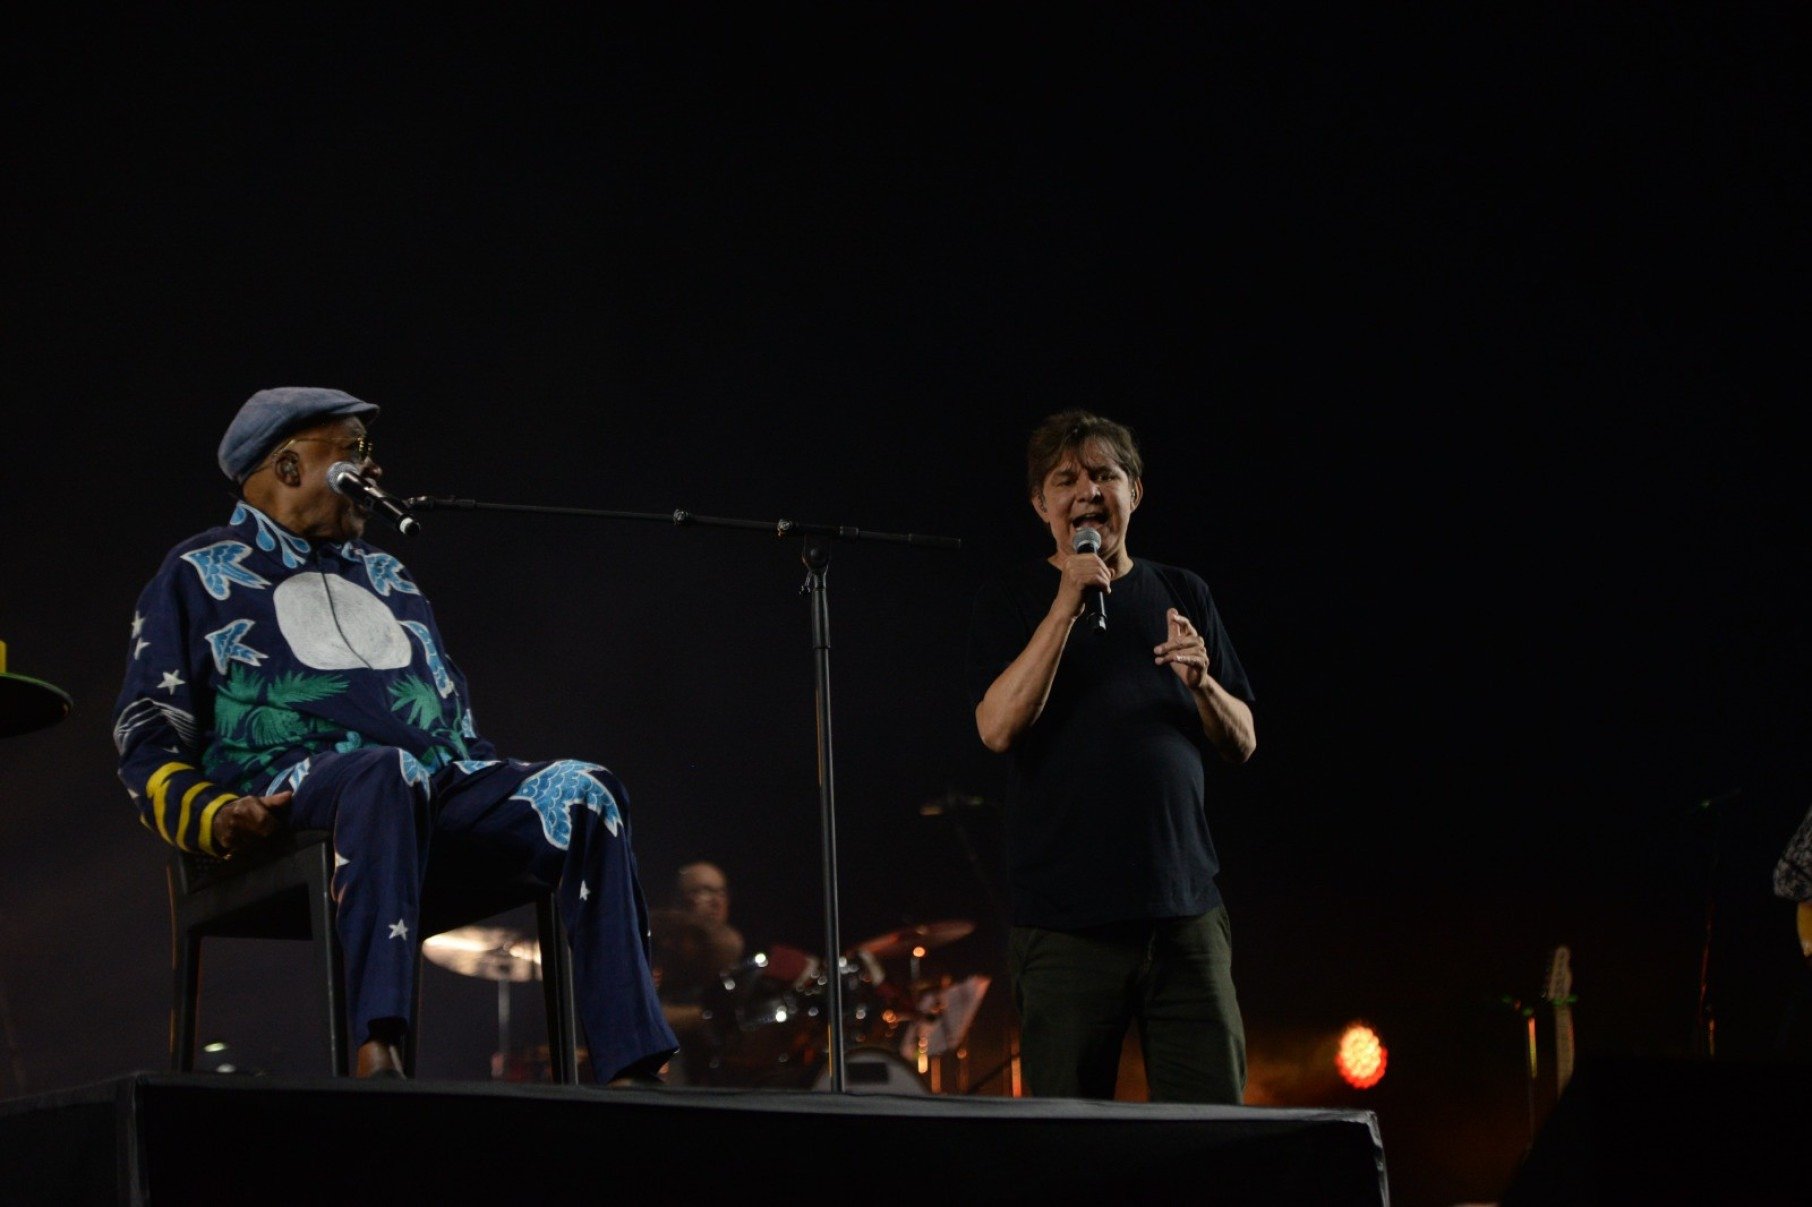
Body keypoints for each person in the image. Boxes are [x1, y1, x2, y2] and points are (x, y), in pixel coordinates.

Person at [111, 386, 678, 1084]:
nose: (373, 470)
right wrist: (215, 813)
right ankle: (376, 1048)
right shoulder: (198, 572)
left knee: (585, 791)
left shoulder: (388, 573)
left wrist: (504, 800)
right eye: (350, 452)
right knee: (387, 773)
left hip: (426, 788)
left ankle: (634, 1063)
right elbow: (146, 736)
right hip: (288, 796)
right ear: (288, 467)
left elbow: (457, 729)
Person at [966, 408, 1257, 1104]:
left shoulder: (1183, 591)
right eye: (1066, 479)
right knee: (1067, 1146)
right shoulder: (1015, 597)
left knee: (1214, 1136)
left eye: (1105, 474)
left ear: (1136, 492)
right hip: (1068, 932)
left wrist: (1202, 683)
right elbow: (997, 727)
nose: (1087, 491)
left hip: (1185, 919)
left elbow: (1243, 739)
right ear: (1041, 503)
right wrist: (1066, 602)